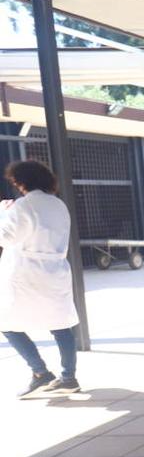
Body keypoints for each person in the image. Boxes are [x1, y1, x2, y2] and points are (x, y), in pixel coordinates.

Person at [0, 160, 81, 397]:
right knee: (61, 324)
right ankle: (68, 377)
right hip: (55, 271)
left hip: (26, 274)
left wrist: (3, 213)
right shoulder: (58, 204)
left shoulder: (23, 206)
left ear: (21, 181)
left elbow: (5, 237)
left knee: (7, 324)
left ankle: (40, 372)